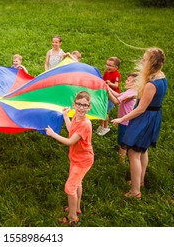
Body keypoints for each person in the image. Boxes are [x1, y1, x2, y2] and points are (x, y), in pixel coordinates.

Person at [111, 47, 167, 199]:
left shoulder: (151, 84)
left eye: (144, 59)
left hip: (145, 119)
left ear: (150, 63)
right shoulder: (162, 77)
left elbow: (141, 109)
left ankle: (135, 191)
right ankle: (140, 181)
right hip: (152, 116)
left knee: (133, 153)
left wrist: (122, 119)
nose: (142, 61)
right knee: (142, 150)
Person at [45, 91, 94, 227]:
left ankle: (73, 218)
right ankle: (76, 208)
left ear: (89, 107)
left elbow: (70, 141)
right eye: (79, 104)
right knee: (77, 184)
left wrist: (53, 134)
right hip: (76, 157)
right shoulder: (76, 118)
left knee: (69, 188)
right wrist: (66, 116)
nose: (81, 107)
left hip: (83, 160)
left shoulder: (85, 124)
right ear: (74, 104)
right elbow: (71, 130)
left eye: (85, 105)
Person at [107, 72, 138, 161]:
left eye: (128, 80)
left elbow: (116, 101)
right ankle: (129, 151)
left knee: (122, 142)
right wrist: (108, 87)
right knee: (128, 138)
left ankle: (121, 160)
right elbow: (118, 95)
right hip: (129, 121)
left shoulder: (130, 93)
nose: (125, 82)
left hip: (124, 122)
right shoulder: (131, 91)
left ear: (135, 83)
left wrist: (108, 91)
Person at [96, 56, 121, 136]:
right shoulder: (107, 72)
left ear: (116, 67)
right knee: (100, 110)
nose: (108, 67)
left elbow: (116, 86)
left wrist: (110, 84)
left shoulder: (116, 74)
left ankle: (106, 127)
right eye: (107, 64)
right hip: (106, 94)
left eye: (110, 65)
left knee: (104, 112)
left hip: (112, 97)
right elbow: (103, 80)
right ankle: (102, 125)